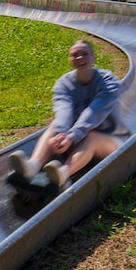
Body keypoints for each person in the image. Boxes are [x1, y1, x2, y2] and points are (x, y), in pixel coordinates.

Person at [9, 39, 129, 188]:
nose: (80, 58)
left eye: (84, 54)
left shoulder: (108, 82)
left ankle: (63, 173)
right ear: (70, 60)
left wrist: (72, 136)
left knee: (91, 137)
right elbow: (63, 110)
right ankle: (33, 166)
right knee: (54, 125)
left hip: (111, 140)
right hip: (75, 139)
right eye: (75, 55)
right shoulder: (64, 84)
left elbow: (95, 111)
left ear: (93, 58)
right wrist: (61, 133)